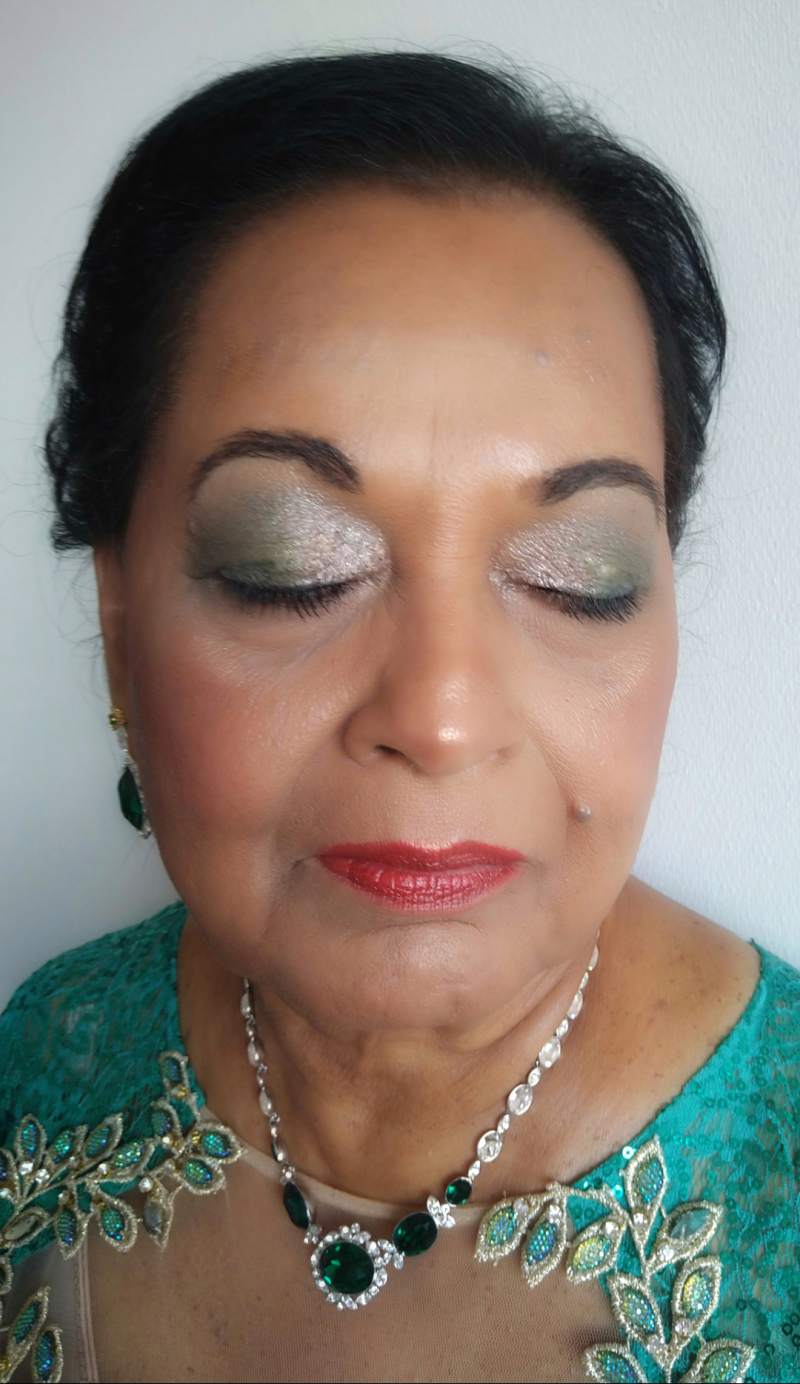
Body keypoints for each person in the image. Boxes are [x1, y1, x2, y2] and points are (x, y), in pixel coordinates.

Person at [0, 50, 796, 1384]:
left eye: (576, 575)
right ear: (121, 628)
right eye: (291, 564)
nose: (439, 717)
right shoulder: (41, 1060)